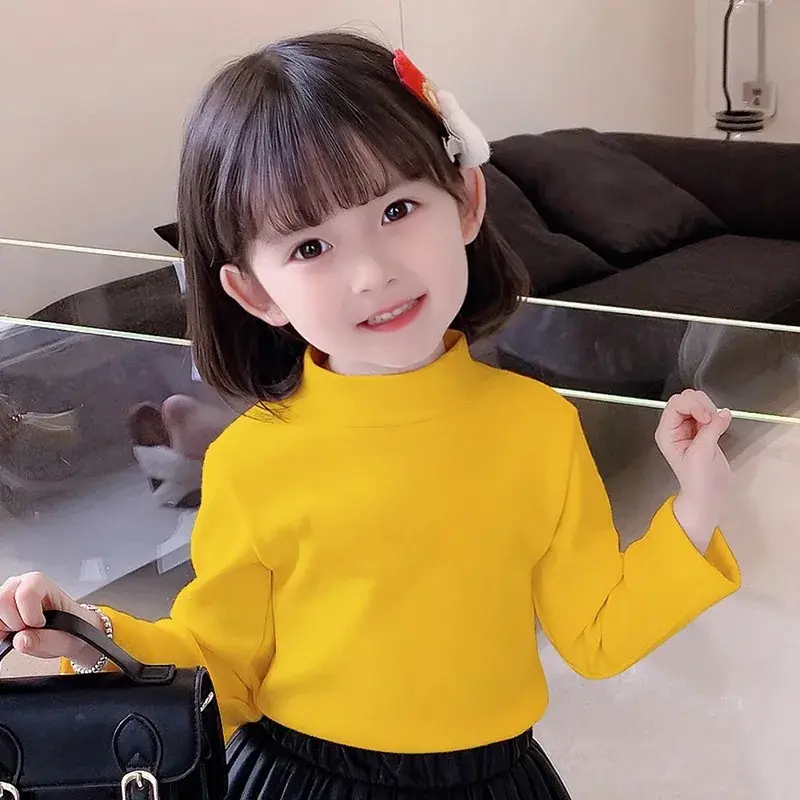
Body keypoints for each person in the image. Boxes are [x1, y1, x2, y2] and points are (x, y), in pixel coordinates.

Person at [0, 32, 740, 800]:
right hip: (300, 780)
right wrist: (91, 634)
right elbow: (222, 669)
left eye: (397, 208)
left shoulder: (540, 424)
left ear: (467, 202)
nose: (371, 272)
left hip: (496, 780)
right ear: (254, 292)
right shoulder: (252, 459)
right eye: (310, 246)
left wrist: (696, 505)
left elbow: (596, 636)